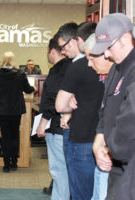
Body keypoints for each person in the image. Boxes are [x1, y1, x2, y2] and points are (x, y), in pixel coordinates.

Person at [55, 21, 104, 199]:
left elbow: (60, 105)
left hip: (83, 137)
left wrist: (69, 107)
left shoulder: (80, 66)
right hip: (106, 139)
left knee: (82, 193)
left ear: (80, 40)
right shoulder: (115, 66)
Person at [90, 13, 135, 200]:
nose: (106, 55)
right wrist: (99, 141)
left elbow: (131, 116)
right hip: (116, 166)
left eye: (108, 48)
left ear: (125, 39)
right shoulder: (116, 68)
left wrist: (112, 148)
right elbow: (105, 109)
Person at [0, 51, 35, 172]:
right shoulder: (21, 73)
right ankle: (14, 163)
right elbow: (27, 89)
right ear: (13, 61)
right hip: (16, 109)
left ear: (3, 60)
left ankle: (6, 165)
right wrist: (34, 88)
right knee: (15, 135)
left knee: (5, 136)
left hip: (2, 109)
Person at [36, 34, 71, 200]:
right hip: (63, 125)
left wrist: (43, 122)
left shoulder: (59, 69)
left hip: (56, 127)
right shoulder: (71, 66)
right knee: (63, 169)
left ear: (52, 51)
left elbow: (53, 98)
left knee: (59, 170)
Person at [82, 33, 114, 200]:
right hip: (105, 152)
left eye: (91, 58)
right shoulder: (111, 77)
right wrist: (98, 144)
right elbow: (105, 114)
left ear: (106, 54)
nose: (89, 64)